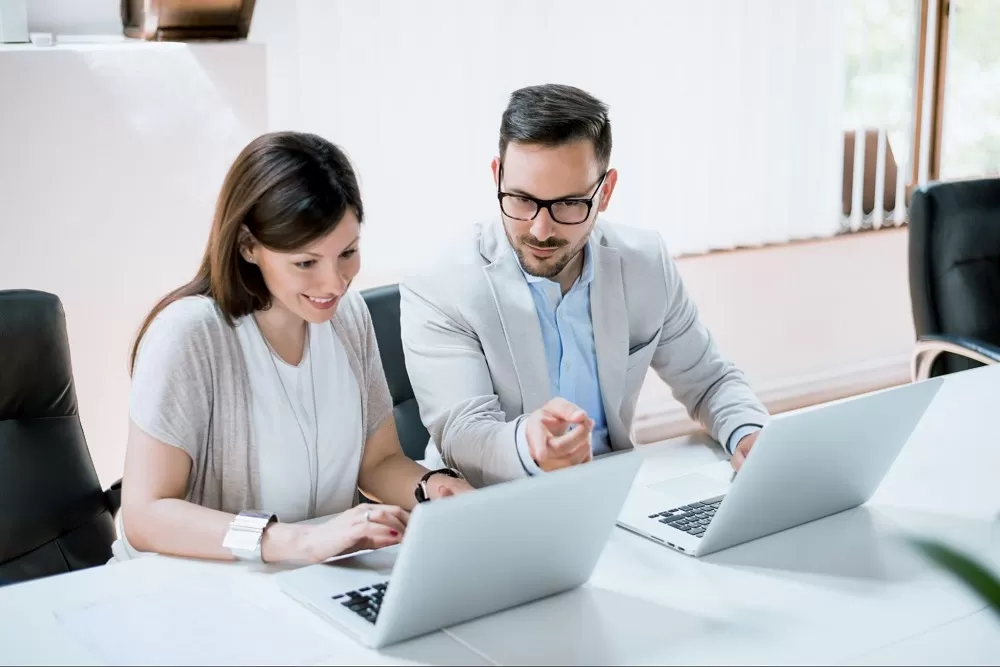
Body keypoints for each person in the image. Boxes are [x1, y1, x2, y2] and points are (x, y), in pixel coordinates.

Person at [116, 131, 471, 564]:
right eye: (306, 263)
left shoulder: (349, 317)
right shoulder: (191, 335)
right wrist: (292, 541)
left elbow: (379, 462)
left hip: (309, 582)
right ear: (248, 246)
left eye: (348, 253)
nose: (334, 283)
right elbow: (146, 513)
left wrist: (435, 487)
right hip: (192, 593)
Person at [400, 84, 769, 488]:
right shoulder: (440, 281)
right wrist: (528, 445)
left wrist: (748, 432)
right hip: (493, 503)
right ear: (496, 176)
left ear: (605, 191)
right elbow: (463, 435)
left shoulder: (644, 262)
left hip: (614, 496)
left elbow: (710, 381)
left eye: (568, 204)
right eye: (522, 199)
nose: (541, 230)